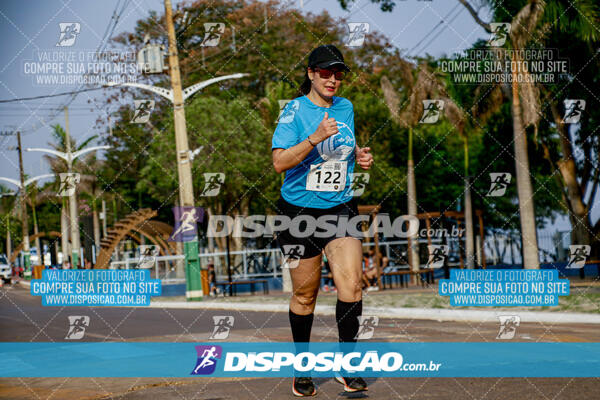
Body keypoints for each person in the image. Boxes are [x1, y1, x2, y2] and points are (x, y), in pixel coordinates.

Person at [272, 44, 374, 397]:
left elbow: (342, 148)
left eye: (338, 74)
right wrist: (314, 138)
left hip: (340, 209)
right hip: (298, 213)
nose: (333, 80)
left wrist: (358, 156)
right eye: (326, 73)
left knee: (352, 287)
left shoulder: (346, 108)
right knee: (305, 294)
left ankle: (348, 366)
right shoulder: (294, 111)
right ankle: (302, 367)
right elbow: (280, 162)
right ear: (311, 74)